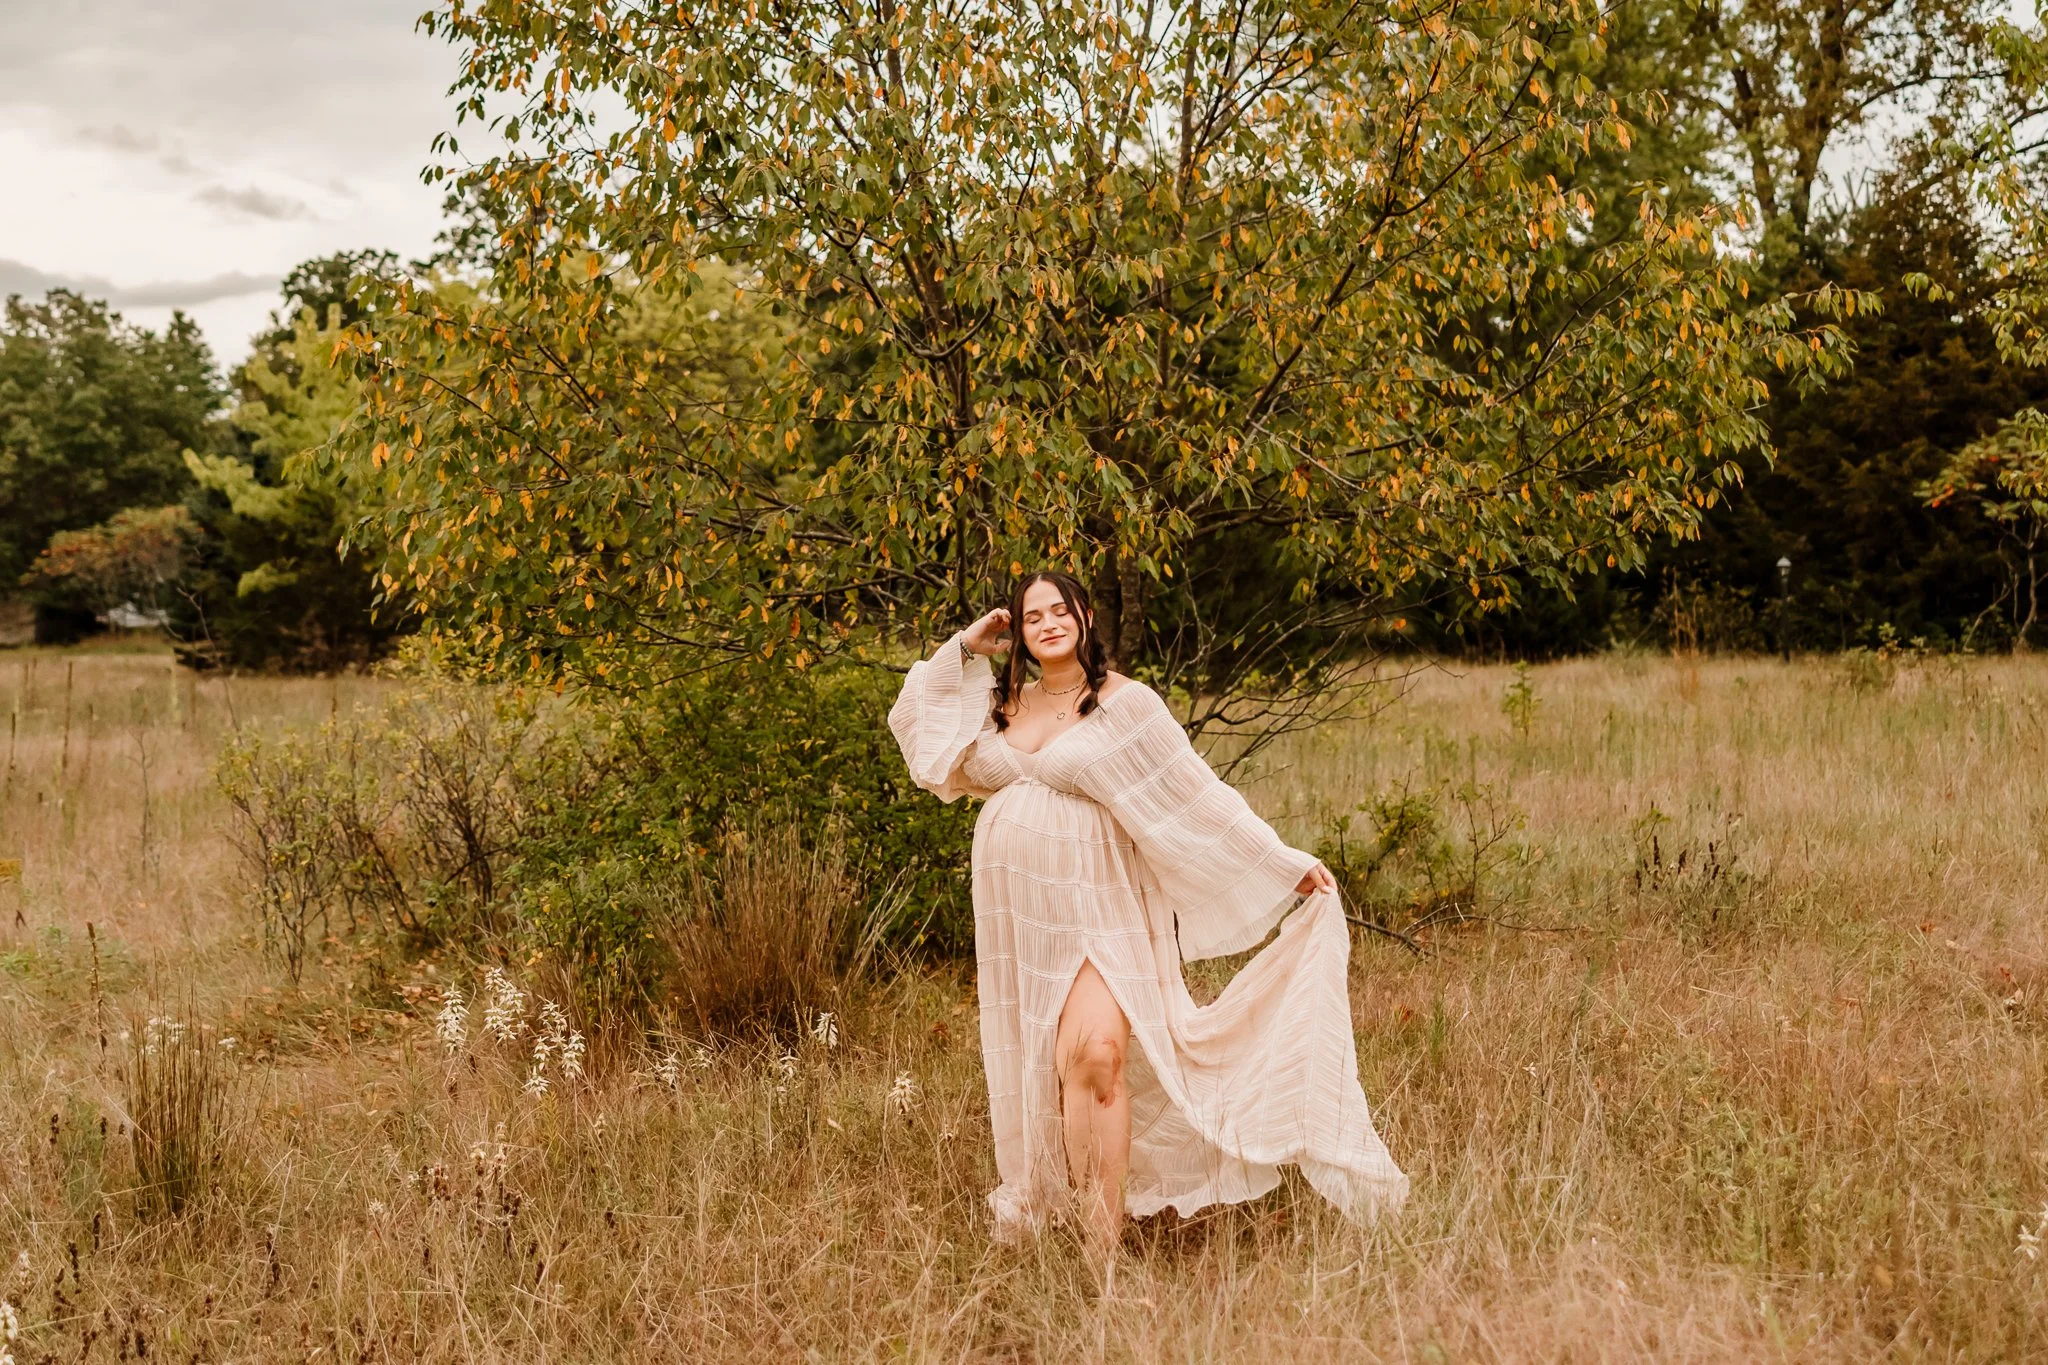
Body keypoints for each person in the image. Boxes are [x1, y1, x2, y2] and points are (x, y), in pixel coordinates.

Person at [888, 570, 1407, 1249]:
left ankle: (1099, 1252)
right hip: (1024, 928)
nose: (1049, 622)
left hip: (1100, 910)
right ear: (1017, 629)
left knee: (1097, 1055)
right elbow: (918, 728)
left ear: (1084, 614)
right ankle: (1076, 1228)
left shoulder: (1124, 704)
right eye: (1031, 614)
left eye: (1060, 608)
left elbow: (1198, 796)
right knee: (1057, 1071)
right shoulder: (1002, 703)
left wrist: (1283, 863)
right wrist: (965, 645)